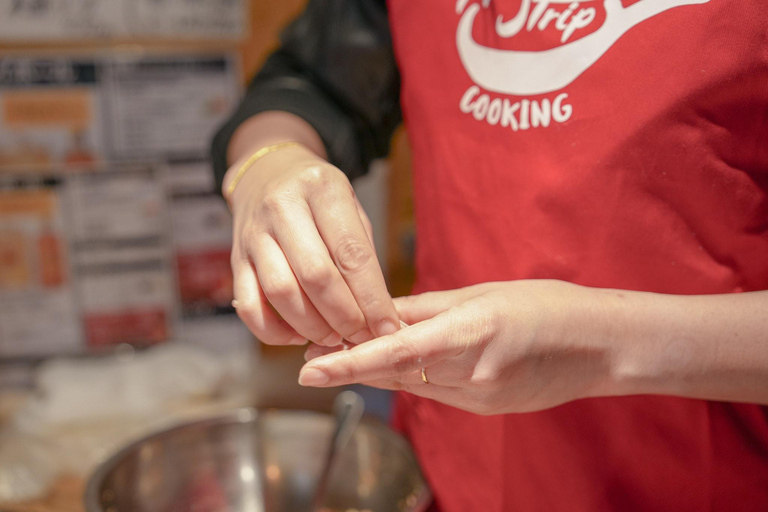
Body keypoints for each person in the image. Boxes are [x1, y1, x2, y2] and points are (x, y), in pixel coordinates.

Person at [211, 1, 768, 510]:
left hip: (705, 479)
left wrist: (604, 344)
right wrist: (268, 163)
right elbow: (307, 85)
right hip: (448, 470)